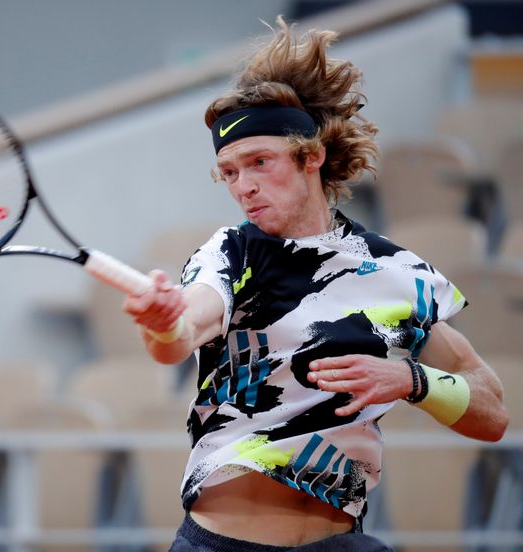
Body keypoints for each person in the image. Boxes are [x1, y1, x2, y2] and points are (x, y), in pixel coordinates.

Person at [122, 17, 509, 552]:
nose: (244, 186)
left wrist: (410, 379)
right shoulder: (231, 254)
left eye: (259, 162)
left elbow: (492, 413)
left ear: (312, 156)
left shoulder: (397, 273)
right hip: (224, 545)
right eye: (229, 172)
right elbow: (185, 329)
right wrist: (165, 324)